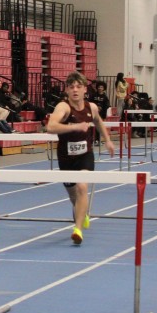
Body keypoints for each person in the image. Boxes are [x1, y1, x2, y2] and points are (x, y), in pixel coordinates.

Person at [46, 71, 115, 245]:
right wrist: (75, 127)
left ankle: (77, 229)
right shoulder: (63, 107)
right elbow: (51, 127)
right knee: (73, 195)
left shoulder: (91, 107)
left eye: (78, 87)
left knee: (82, 187)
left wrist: (107, 140)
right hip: (66, 157)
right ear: (67, 90)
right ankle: (82, 213)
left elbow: (98, 121)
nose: (75, 90)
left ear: (85, 89)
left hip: (85, 155)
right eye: (71, 87)